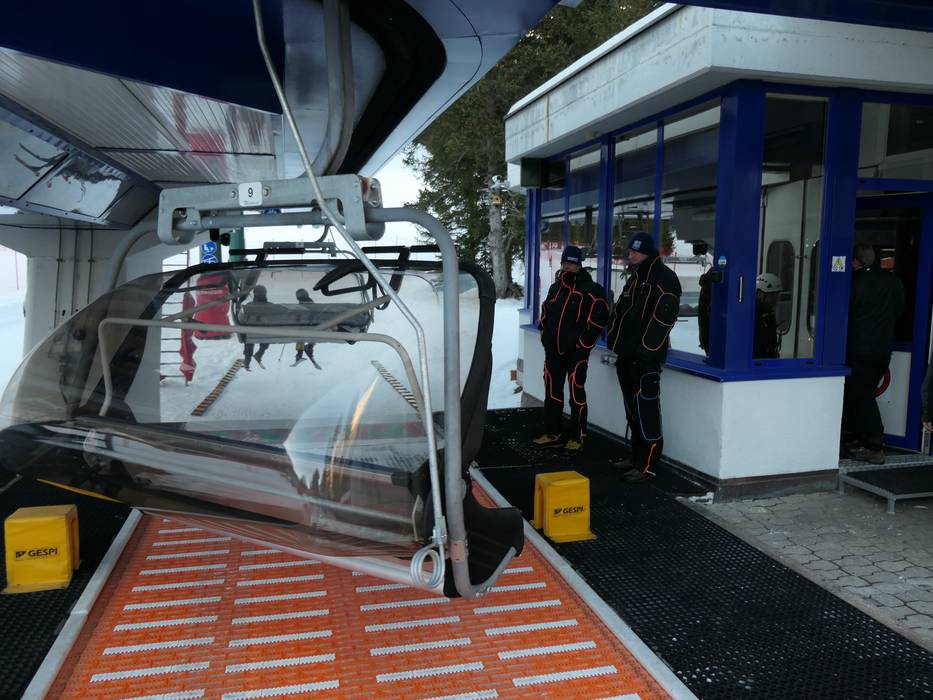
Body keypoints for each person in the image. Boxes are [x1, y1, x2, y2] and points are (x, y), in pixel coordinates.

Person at [607, 232, 682, 481]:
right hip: (627, 357)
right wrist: (614, 341)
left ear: (647, 253)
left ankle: (647, 464)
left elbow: (663, 320)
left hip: (645, 361)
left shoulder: (665, 278)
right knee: (632, 411)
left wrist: (645, 353)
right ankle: (635, 457)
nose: (630, 255)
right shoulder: (635, 278)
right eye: (630, 251)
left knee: (646, 412)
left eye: (635, 251)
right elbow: (621, 311)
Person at [532, 245, 610, 452]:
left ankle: (578, 436)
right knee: (552, 392)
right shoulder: (556, 288)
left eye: (572, 264)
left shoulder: (591, 290)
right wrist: (544, 334)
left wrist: (582, 345)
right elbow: (545, 312)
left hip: (576, 354)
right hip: (553, 352)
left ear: (579, 265)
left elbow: (599, 320)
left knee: (576, 395)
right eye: (565, 263)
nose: (568, 267)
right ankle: (553, 432)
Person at [842, 243, 904, 465]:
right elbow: (899, 310)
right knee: (861, 394)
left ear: (855, 261)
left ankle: (874, 445)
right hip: (883, 348)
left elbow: (845, 312)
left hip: (859, 348)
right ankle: (854, 437)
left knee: (861, 396)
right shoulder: (892, 280)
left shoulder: (854, 282)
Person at [242, 285, 271, 371]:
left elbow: (242, 320)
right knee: (267, 334)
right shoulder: (271, 306)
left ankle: (247, 361)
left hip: (251, 335)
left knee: (249, 337)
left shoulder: (248, 306)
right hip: (265, 334)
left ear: (254, 294)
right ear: (265, 293)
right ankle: (259, 353)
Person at [753, 272, 782, 359]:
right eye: (773, 295)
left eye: (777, 294)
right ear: (760, 294)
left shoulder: (769, 313)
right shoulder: (752, 315)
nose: (776, 299)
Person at [291, 288, 321, 369]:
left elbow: (298, 317)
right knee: (307, 337)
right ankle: (308, 349)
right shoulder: (310, 302)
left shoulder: (303, 304)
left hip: (306, 325)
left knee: (300, 337)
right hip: (312, 326)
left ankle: (300, 354)